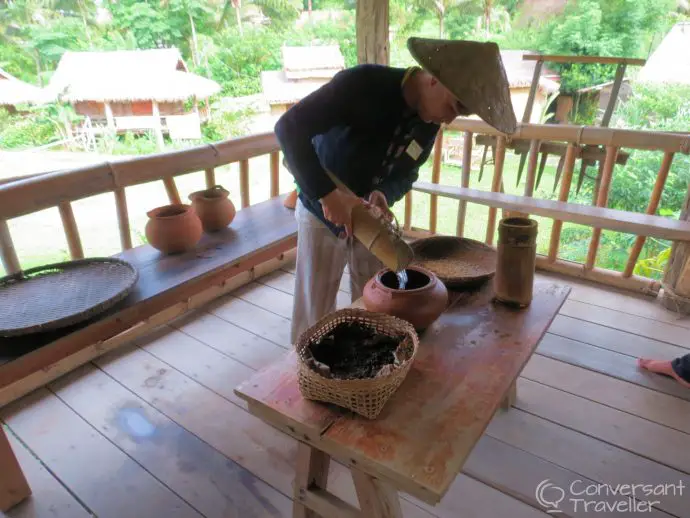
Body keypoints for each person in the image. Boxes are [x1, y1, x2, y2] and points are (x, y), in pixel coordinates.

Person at [275, 37, 517, 344]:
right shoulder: (363, 83)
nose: (450, 119)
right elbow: (288, 128)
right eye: (454, 106)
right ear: (433, 79)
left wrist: (384, 194)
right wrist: (327, 194)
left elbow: (407, 172)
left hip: (369, 220)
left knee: (376, 299)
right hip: (320, 208)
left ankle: (364, 364)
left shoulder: (427, 124)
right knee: (315, 304)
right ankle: (304, 373)